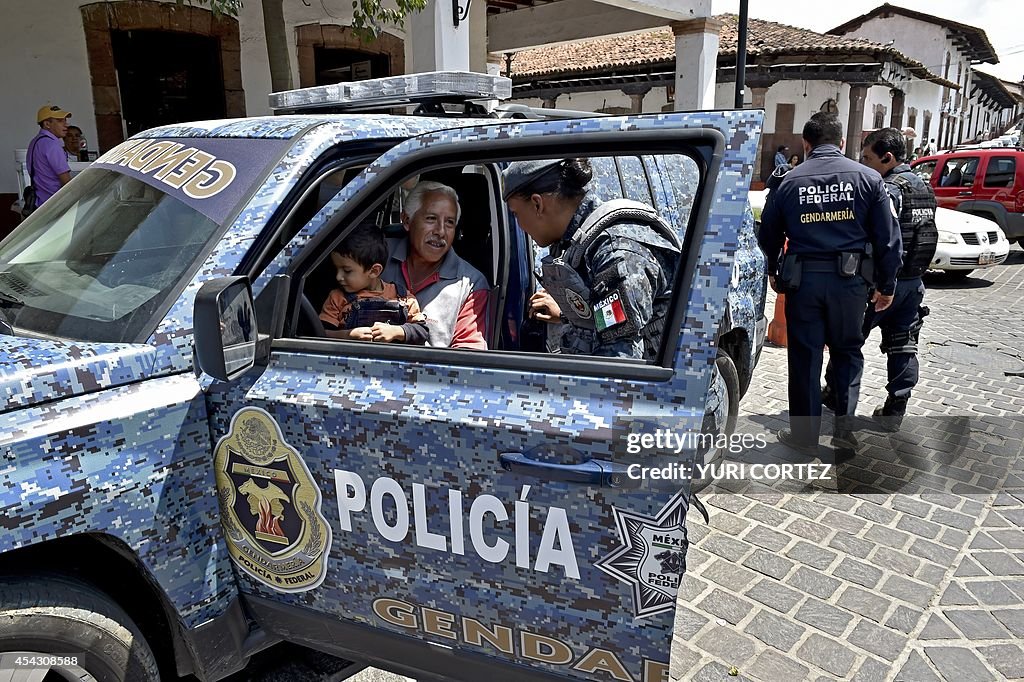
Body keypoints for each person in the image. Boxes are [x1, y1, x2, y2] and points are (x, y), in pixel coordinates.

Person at [758, 112, 902, 459]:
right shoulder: (869, 179)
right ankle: (845, 433)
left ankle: (805, 438)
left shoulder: (788, 182)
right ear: (841, 143)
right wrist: (887, 284)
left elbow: (768, 234)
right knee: (847, 353)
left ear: (806, 144)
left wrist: (775, 271)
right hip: (851, 285)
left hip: (803, 283)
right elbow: (888, 239)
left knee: (805, 357)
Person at [501, 158, 680, 360]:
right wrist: (566, 315)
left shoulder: (616, 253)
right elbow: (604, 319)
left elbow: (619, 359)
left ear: (537, 204)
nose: (520, 224)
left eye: (516, 214)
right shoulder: (577, 242)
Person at [823, 128, 938, 432]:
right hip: (913, 283)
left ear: (887, 158)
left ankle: (837, 398)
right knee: (903, 345)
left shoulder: (888, 190)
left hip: (880, 285)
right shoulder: (923, 187)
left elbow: (883, 241)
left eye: (867, 158)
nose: (862, 164)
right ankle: (894, 411)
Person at [382, 181, 489, 349]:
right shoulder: (377, 256)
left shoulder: (471, 285)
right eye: (431, 219)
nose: (440, 231)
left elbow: (468, 356)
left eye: (449, 222)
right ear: (406, 220)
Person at [320, 225, 429, 344]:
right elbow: (320, 333)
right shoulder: (337, 298)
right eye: (336, 269)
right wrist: (347, 335)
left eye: (347, 271)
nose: (338, 277)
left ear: (374, 271)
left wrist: (396, 331)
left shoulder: (402, 296)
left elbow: (422, 331)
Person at [26, 105, 73, 209]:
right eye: (60, 121)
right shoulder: (52, 145)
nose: (66, 125)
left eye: (65, 120)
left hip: (39, 202)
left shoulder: (35, 142)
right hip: (55, 204)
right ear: (47, 124)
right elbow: (67, 182)